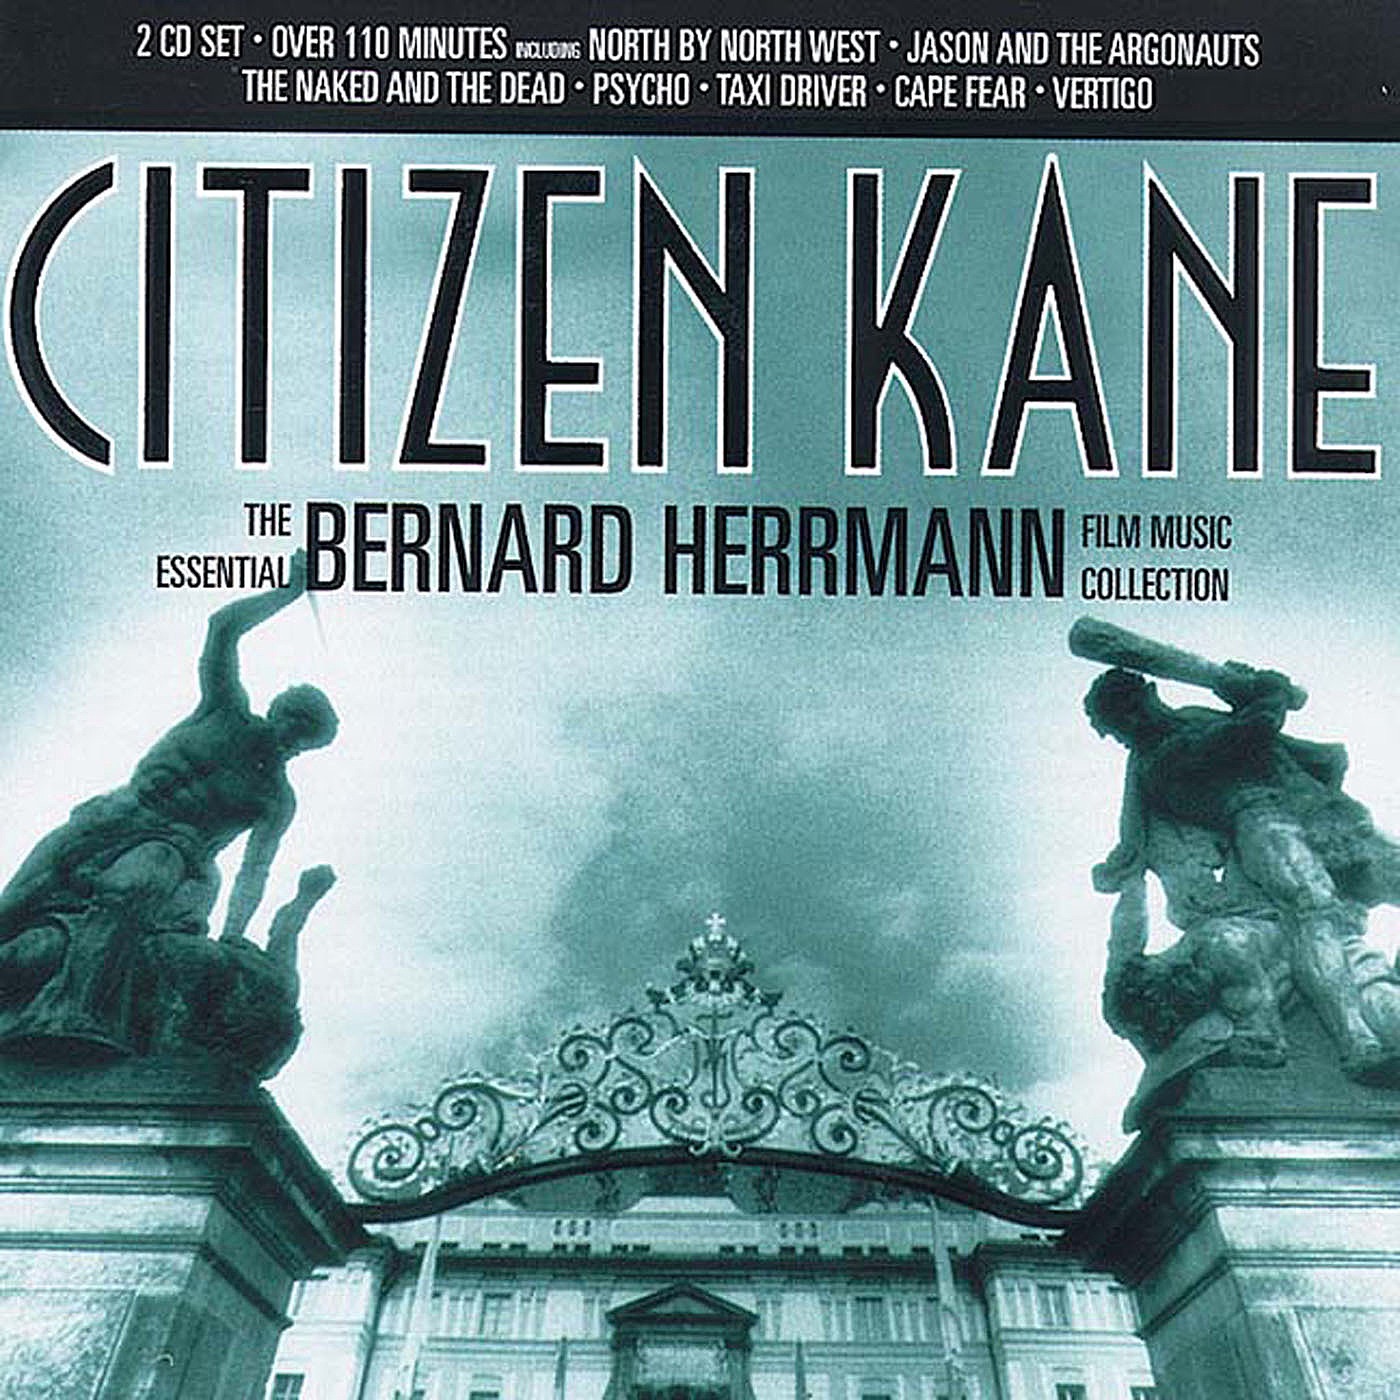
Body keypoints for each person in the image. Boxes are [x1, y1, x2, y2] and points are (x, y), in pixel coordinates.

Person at [0, 550, 336, 1061]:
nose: (292, 741)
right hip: (112, 817)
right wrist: (288, 592)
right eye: (295, 724)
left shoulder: (274, 797)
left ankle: (70, 1012)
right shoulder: (221, 710)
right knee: (15, 904)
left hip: (174, 850)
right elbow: (223, 628)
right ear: (279, 709)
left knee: (128, 890)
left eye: (304, 741)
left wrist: (232, 933)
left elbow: (255, 870)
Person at [1087, 661, 1400, 1080]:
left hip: (1331, 816)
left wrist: (1245, 695)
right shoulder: (1160, 762)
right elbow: (1248, 733)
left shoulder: (1194, 718)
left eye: (1130, 710)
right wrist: (1266, 695)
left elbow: (1291, 751)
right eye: (1119, 725)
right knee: (1315, 913)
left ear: (1149, 695)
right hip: (1263, 822)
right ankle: (1356, 1042)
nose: (1131, 725)